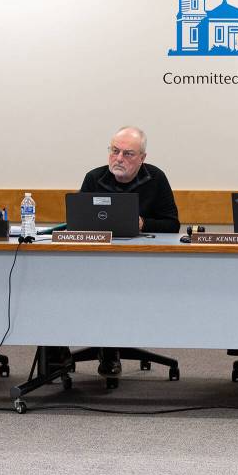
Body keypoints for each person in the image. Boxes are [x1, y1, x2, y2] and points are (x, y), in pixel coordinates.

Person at [73, 126, 180, 376]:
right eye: (114, 151)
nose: (119, 159)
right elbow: (77, 221)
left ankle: (111, 347)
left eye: (128, 154)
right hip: (97, 265)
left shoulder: (156, 179)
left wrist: (143, 224)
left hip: (142, 264)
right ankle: (93, 349)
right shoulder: (94, 178)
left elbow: (172, 224)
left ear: (142, 158)